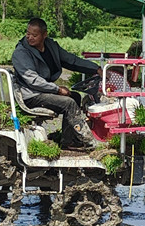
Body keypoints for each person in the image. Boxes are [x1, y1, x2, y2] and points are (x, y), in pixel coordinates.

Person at [12, 18, 102, 149]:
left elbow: (72, 60)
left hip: (43, 92)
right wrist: (57, 89)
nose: (29, 37)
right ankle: (89, 141)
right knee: (68, 103)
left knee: (75, 97)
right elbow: (33, 80)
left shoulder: (51, 46)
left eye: (34, 35)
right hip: (31, 95)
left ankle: (68, 140)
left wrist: (95, 69)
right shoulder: (21, 53)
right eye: (28, 33)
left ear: (44, 35)